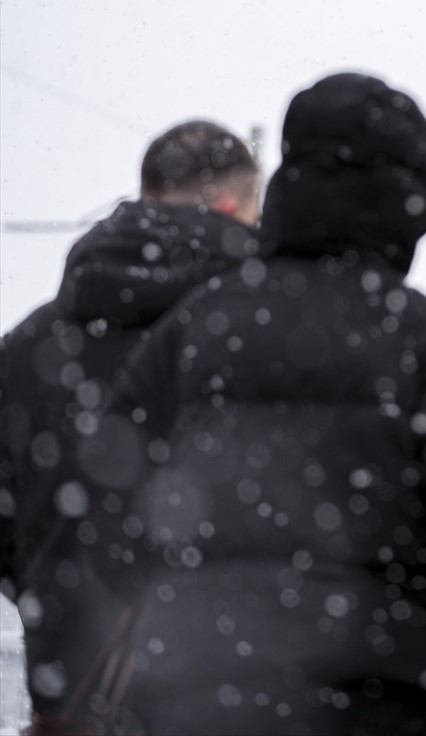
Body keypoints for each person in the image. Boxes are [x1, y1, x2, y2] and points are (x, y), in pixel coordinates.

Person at [83, 72, 426, 735]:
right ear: (411, 204)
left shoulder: (196, 327)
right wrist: (408, 598)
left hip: (190, 691)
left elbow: (106, 486)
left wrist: (173, 598)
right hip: (367, 699)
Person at [0, 119, 260, 735]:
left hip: (72, 696)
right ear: (231, 205)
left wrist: (57, 595)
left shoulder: (29, 347)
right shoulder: (265, 337)